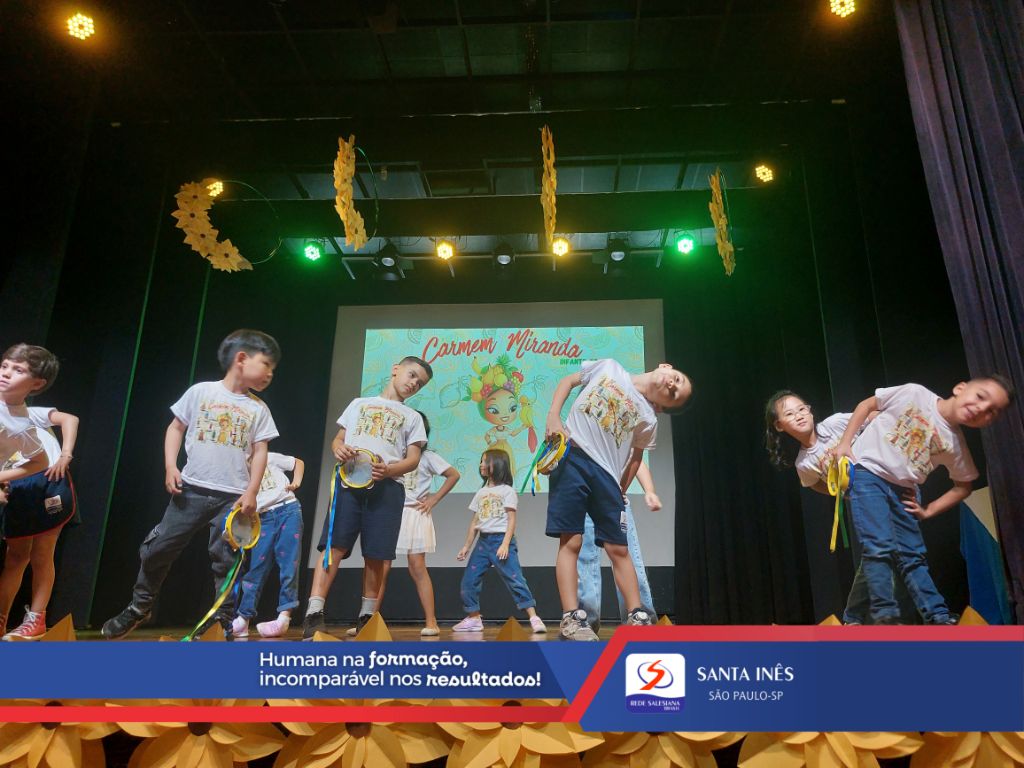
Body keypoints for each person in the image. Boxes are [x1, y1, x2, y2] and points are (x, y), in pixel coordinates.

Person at [102, 329, 280, 640]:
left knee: (227, 562)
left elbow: (261, 451)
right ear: (241, 358)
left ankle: (221, 622)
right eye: (266, 364)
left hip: (232, 499)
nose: (270, 373)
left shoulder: (258, 409)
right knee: (158, 549)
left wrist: (252, 491)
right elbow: (176, 427)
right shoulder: (201, 392)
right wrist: (170, 466)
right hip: (191, 491)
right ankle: (140, 606)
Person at [835, 375, 1014, 625]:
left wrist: (928, 510)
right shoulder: (914, 393)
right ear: (960, 388)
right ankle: (877, 619)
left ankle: (938, 617)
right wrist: (844, 444)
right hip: (869, 474)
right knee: (880, 547)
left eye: (991, 411)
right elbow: (867, 405)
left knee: (911, 555)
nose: (981, 408)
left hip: (904, 491)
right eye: (980, 396)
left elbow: (963, 486)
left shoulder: (955, 444)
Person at [545, 359, 692, 640]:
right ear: (665, 366)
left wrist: (621, 488)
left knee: (618, 548)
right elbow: (568, 381)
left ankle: (638, 616)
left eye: (674, 394)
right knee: (571, 540)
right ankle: (571, 618)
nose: (672, 385)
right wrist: (553, 415)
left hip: (607, 477)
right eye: (677, 378)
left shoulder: (649, 420)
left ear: (662, 407)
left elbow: (636, 457)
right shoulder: (609, 367)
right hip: (572, 458)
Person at [302, 356, 433, 639]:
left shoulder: (412, 417)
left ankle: (367, 616)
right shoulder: (358, 404)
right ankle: (314, 612)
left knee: (376, 554)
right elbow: (339, 439)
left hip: (388, 489)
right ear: (395, 369)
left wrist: (389, 470)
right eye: (412, 375)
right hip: (348, 483)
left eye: (420, 383)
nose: (414, 383)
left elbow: (413, 459)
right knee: (333, 546)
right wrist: (338, 448)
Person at [764, 389, 915, 625]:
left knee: (885, 553)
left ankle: (857, 617)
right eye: (790, 414)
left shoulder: (834, 424)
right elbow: (814, 484)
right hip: (866, 502)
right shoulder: (804, 463)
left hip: (889, 485)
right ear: (779, 425)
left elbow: (871, 417)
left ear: (810, 411)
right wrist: (842, 494)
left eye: (802, 409)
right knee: (887, 552)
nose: (799, 415)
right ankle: (899, 618)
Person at [355, 411, 460, 638]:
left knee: (417, 566)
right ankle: (369, 621)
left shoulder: (427, 457)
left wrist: (433, 499)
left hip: (414, 514)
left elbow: (453, 474)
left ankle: (431, 621)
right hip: (391, 510)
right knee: (381, 567)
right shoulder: (392, 454)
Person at [0, 344, 78, 639]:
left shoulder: (28, 416)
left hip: (48, 484)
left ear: (36, 384)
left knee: (42, 554)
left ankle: (36, 618)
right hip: (19, 488)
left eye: (18, 369)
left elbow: (70, 419)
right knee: (15, 557)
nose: (7, 373)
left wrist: (65, 455)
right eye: (5, 366)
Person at [453, 449, 545, 634]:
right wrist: (466, 546)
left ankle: (534, 617)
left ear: (497, 464)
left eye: (485, 461)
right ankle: (474, 618)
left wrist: (505, 544)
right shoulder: (481, 492)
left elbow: (511, 520)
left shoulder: (507, 491)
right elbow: (475, 523)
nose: (481, 464)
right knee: (469, 581)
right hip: (483, 543)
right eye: (481, 461)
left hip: (501, 540)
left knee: (515, 580)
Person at [577, 461, 660, 634]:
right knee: (585, 563)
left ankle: (641, 618)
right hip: (584, 501)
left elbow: (636, 459)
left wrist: (650, 491)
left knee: (629, 559)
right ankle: (586, 622)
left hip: (615, 502)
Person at [231, 451, 304, 638]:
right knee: (256, 568)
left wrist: (296, 482)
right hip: (262, 518)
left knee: (289, 564)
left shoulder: (267, 457)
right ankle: (243, 618)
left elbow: (298, 462)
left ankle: (284, 616)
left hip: (287, 509)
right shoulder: (237, 470)